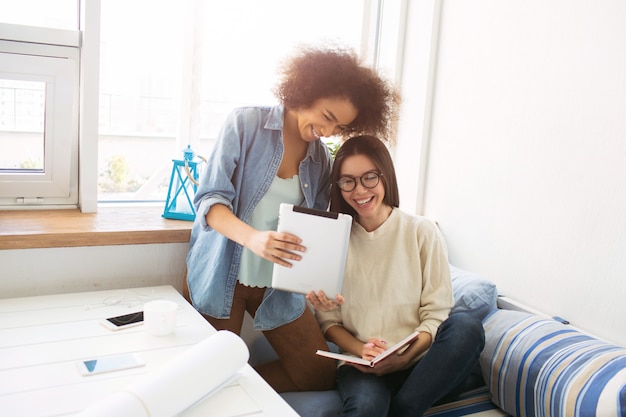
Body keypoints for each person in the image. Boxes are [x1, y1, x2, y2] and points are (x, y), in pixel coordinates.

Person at [185, 46, 400, 393]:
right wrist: (254, 238)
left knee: (317, 374)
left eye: (339, 126)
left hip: (276, 288)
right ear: (305, 91)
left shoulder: (320, 160)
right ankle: (220, 384)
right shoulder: (246, 124)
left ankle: (233, 386)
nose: (328, 131)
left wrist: (318, 287)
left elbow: (312, 233)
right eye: (327, 116)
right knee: (206, 375)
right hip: (221, 274)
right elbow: (210, 202)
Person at [306, 135, 485, 416]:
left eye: (369, 178)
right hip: (361, 365)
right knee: (366, 407)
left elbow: (436, 316)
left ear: (385, 176)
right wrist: (363, 350)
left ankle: (403, 409)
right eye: (347, 181)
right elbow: (329, 323)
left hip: (421, 365)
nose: (359, 190)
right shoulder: (334, 240)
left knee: (466, 328)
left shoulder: (422, 231)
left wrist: (402, 359)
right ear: (338, 186)